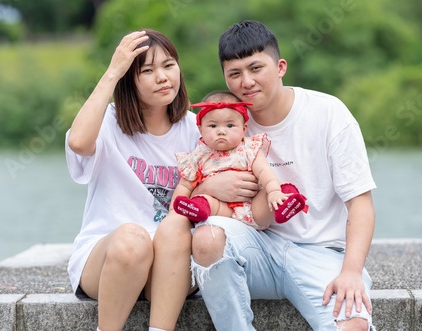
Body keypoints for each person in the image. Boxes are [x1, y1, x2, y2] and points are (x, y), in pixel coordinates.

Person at [190, 20, 377, 331]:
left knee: (353, 326)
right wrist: (209, 186)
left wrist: (352, 272)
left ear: (280, 67)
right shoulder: (220, 125)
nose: (246, 82)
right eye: (234, 73)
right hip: (255, 249)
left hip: (321, 252)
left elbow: (360, 204)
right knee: (207, 236)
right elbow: (190, 194)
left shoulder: (328, 113)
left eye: (256, 68)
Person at [65, 29, 200, 331]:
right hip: (108, 261)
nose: (163, 77)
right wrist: (113, 71)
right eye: (147, 71)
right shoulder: (109, 124)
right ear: (128, 80)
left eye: (168, 65)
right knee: (132, 239)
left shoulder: (197, 129)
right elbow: (78, 143)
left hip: (169, 266)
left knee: (175, 236)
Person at [172, 90, 307, 230]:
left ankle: (284, 203)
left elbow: (264, 171)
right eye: (213, 126)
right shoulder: (198, 156)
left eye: (230, 125)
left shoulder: (249, 148)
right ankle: (197, 210)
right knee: (205, 202)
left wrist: (274, 191)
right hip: (222, 212)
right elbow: (184, 186)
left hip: (253, 207)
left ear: (244, 129)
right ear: (200, 130)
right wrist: (172, 212)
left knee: (275, 194)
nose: (221, 131)